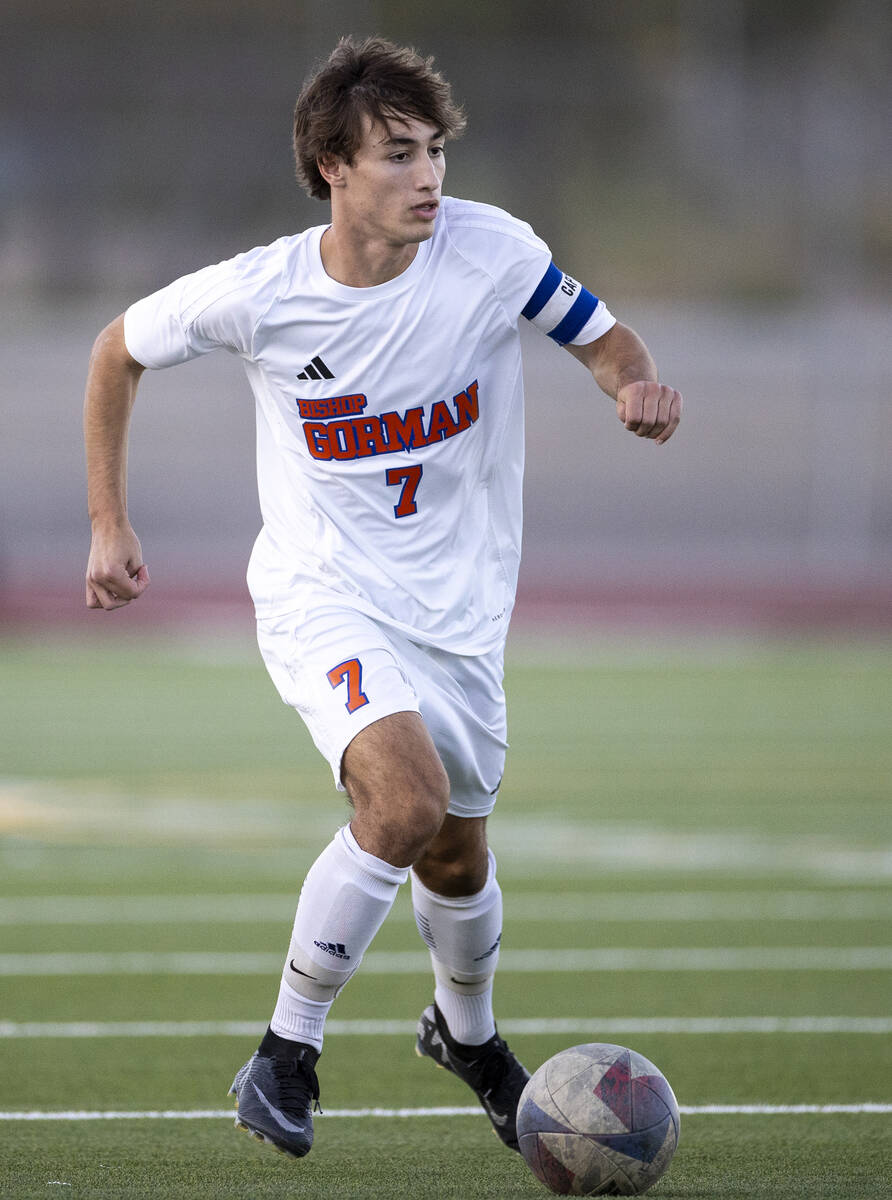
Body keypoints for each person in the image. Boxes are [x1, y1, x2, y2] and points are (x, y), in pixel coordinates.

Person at [84, 35, 682, 1161]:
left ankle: (469, 1040)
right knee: (401, 809)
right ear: (331, 168)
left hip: (459, 620)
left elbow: (601, 340)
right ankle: (284, 1053)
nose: (428, 176)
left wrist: (634, 386)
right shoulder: (262, 292)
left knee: (457, 856)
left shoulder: (491, 253)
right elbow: (116, 351)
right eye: (398, 153)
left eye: (436, 151)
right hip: (325, 597)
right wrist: (110, 521)